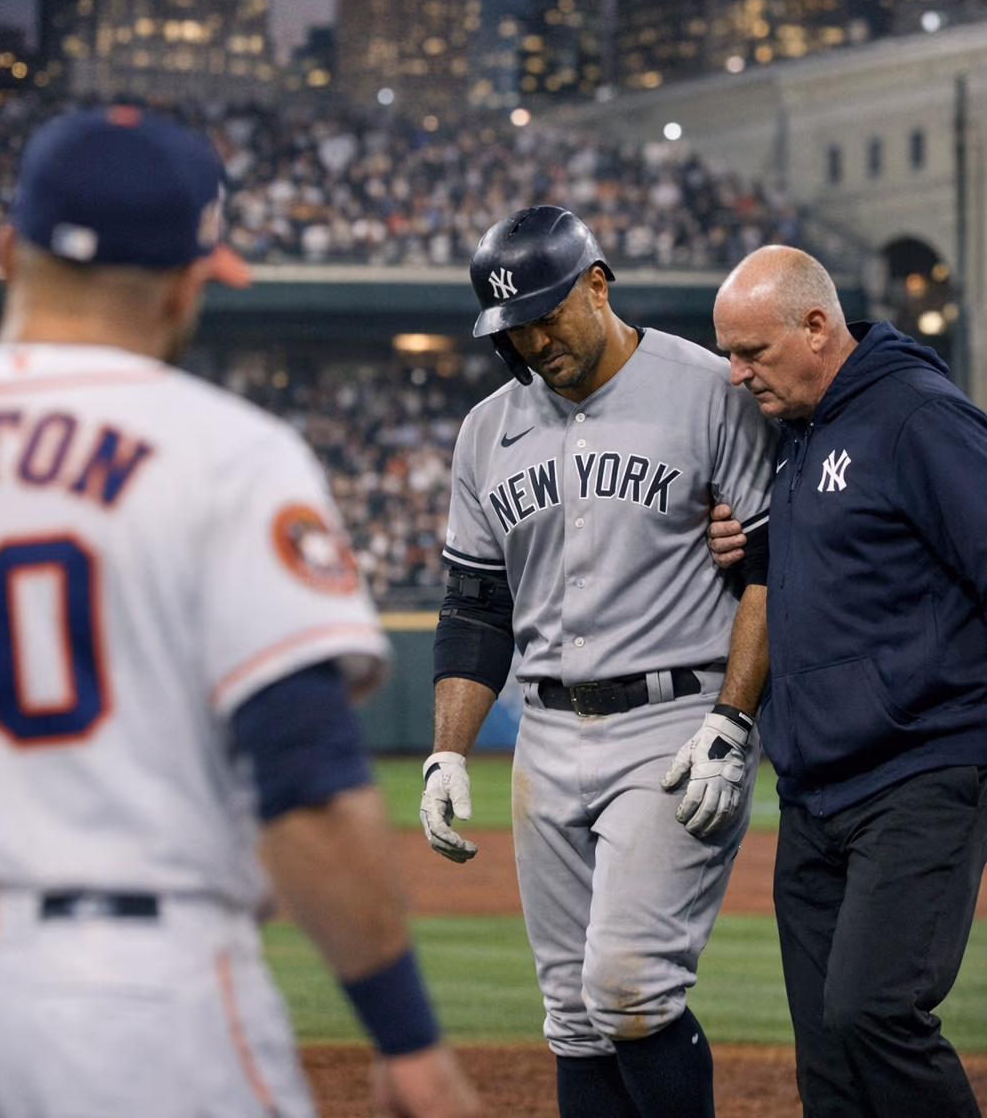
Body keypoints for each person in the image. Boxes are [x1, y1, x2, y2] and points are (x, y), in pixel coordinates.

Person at [0, 105, 480, 1118]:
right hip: (128, 996)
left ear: (8, 253)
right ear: (184, 284)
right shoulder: (226, 453)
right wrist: (407, 1039)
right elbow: (308, 791)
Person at [418, 205, 778, 1118]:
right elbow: (474, 607)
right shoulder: (486, 431)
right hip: (544, 734)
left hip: (675, 722)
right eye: (513, 328)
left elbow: (770, 569)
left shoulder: (709, 390)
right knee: (574, 1019)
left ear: (598, 284)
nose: (534, 342)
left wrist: (733, 720)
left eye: (547, 315)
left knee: (629, 985)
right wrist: (448, 751)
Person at [708, 243, 987, 1118]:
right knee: (828, 1069)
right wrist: (746, 559)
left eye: (751, 351)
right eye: (728, 353)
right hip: (813, 790)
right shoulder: (796, 434)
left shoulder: (916, 415)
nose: (735, 373)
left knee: (875, 1012)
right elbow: (839, 580)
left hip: (919, 769)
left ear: (816, 327)